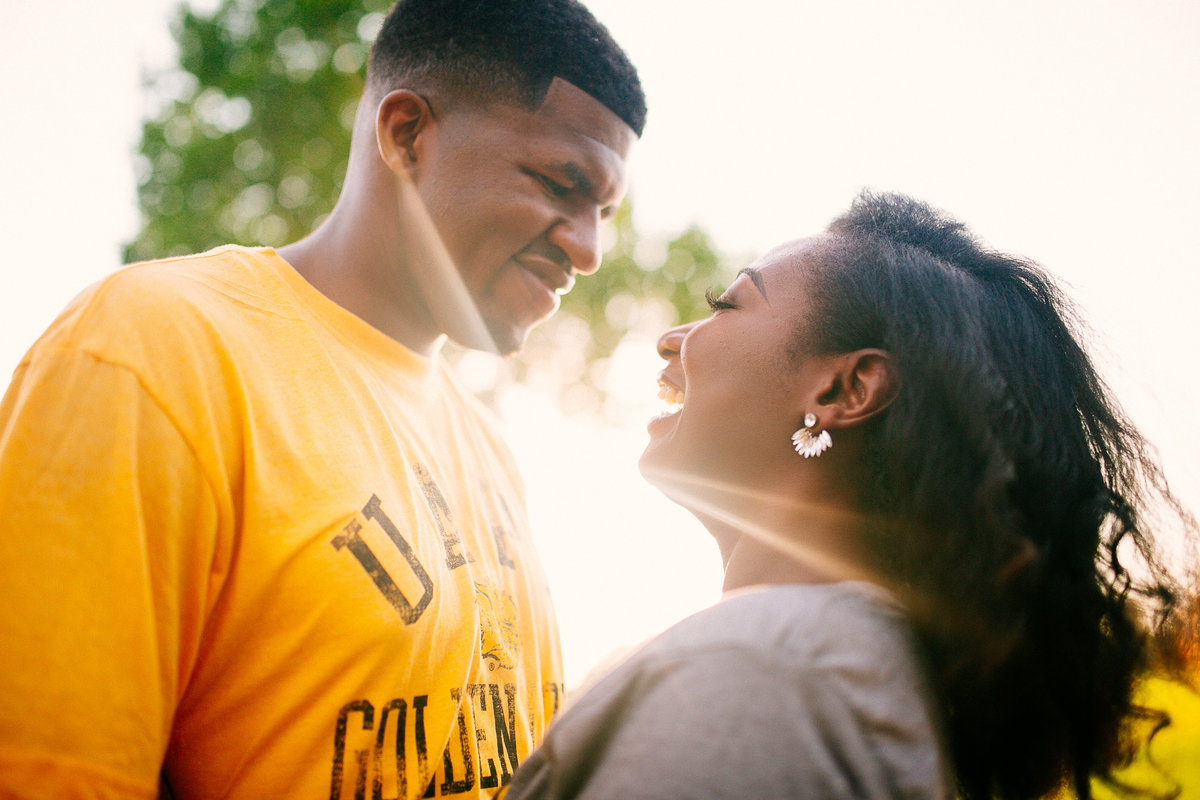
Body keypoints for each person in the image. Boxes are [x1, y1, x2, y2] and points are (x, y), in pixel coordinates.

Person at [0, 1, 643, 797]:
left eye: (604, 215)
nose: (587, 248)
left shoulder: (492, 451)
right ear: (407, 134)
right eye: (561, 184)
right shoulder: (153, 348)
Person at [501, 192, 1194, 800]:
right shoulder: (857, 666)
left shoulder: (762, 676)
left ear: (843, 391)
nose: (671, 339)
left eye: (727, 304)